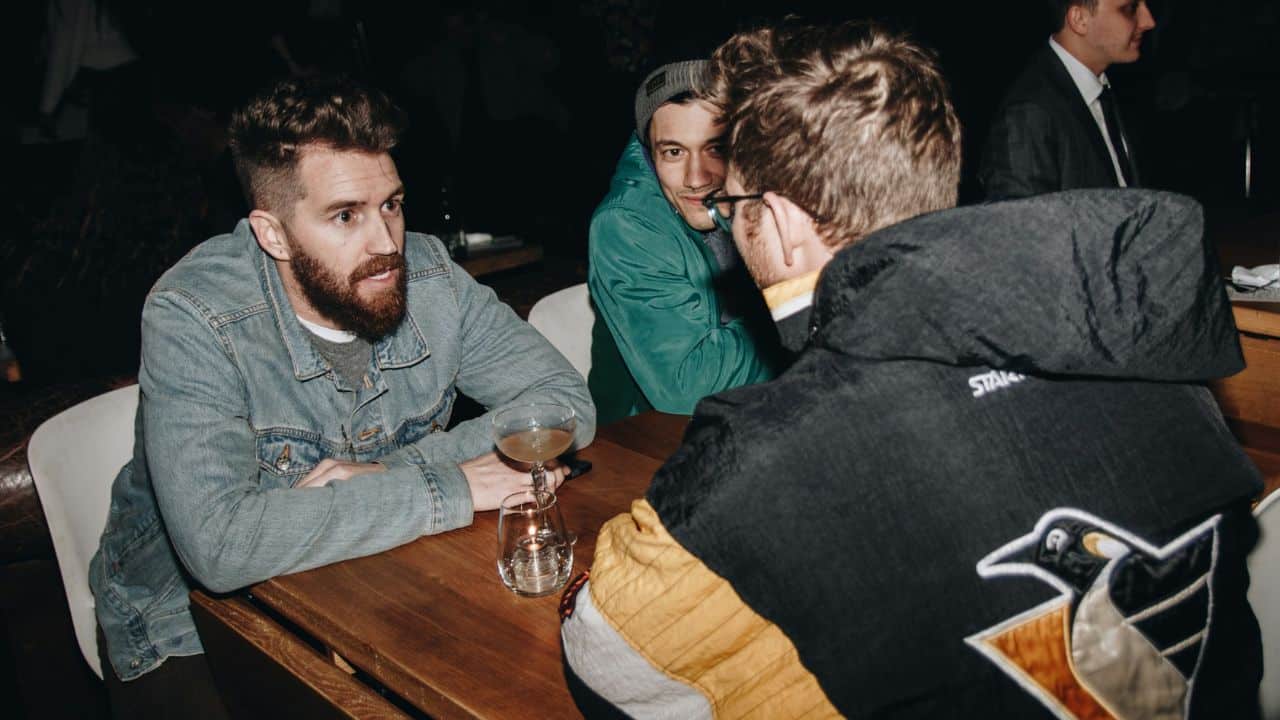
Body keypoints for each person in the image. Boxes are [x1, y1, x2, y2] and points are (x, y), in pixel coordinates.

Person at [562, 20, 1262, 718]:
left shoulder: (760, 465)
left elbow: (608, 665)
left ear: (777, 221)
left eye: (733, 204)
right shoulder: (1154, 359)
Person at [88, 75, 595, 717]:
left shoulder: (430, 273)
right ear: (272, 235)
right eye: (345, 216)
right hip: (186, 621)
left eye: (391, 204)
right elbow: (220, 548)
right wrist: (453, 485)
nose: (385, 243)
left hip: (379, 575)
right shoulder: (193, 314)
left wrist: (388, 474)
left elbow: (564, 405)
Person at [587, 59, 781, 425]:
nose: (696, 178)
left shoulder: (754, 187)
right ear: (649, 151)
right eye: (674, 152)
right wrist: (793, 310)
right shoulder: (626, 226)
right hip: (645, 442)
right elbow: (689, 387)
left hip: (755, 413)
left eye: (715, 149)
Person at [979, 0, 1156, 201]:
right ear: (1079, 19)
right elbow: (1022, 227)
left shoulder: (1114, 92)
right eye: (1130, 9)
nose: (1148, 21)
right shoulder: (1028, 113)